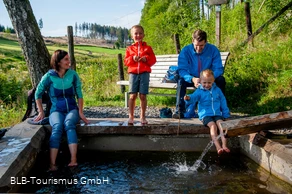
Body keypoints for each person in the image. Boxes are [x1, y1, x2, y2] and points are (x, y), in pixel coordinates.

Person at [34, 49, 89, 171]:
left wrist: (80, 112)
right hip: (56, 110)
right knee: (58, 126)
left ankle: (73, 160)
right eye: (66, 59)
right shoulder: (49, 76)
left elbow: (79, 95)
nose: (69, 62)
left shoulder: (73, 75)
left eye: (69, 59)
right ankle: (52, 164)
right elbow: (37, 94)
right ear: (58, 62)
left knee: (69, 124)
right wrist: (41, 112)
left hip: (72, 110)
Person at [173, 29, 226, 119]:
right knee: (181, 81)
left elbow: (218, 68)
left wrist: (209, 78)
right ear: (192, 41)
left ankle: (220, 110)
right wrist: (192, 79)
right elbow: (182, 70)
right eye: (196, 45)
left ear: (206, 42)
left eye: (201, 46)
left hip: (208, 78)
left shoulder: (213, 50)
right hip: (192, 78)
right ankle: (179, 111)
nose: (198, 48)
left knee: (221, 80)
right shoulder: (185, 51)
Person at [184, 69, 230, 155]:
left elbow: (223, 102)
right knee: (213, 126)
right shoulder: (199, 91)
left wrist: (226, 115)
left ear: (213, 81)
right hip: (205, 115)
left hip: (217, 114)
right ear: (200, 81)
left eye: (209, 82)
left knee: (222, 125)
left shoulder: (217, 90)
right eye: (204, 82)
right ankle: (218, 147)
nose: (206, 85)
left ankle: (224, 145)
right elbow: (194, 97)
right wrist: (188, 98)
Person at [124, 25, 156, 124]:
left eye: (140, 33)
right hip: (133, 73)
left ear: (143, 35)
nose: (138, 35)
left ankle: (142, 116)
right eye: (136, 33)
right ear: (132, 36)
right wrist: (132, 58)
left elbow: (153, 60)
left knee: (143, 95)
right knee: (132, 95)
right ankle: (131, 116)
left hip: (144, 73)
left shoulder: (148, 48)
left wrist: (146, 59)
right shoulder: (129, 49)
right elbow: (126, 61)